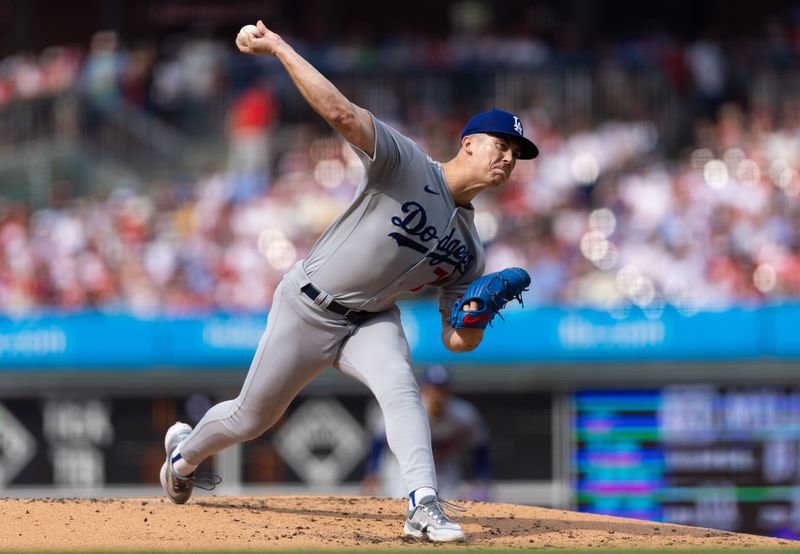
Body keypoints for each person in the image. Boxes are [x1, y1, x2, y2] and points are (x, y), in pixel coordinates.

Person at [159, 19, 538, 543]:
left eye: (517, 155)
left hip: (372, 320)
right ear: (469, 142)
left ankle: (423, 504)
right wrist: (278, 47)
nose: (509, 158)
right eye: (502, 144)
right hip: (309, 305)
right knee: (252, 418)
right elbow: (339, 112)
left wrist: (477, 314)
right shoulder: (408, 164)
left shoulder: (472, 248)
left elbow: (457, 339)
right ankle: (183, 456)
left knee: (402, 385)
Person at [363, 364, 492, 502]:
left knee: (449, 506)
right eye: (432, 389)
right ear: (423, 389)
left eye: (441, 389)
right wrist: (373, 470)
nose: (437, 394)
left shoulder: (463, 414)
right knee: (403, 502)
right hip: (404, 466)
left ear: (449, 391)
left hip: (443, 466)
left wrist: (481, 477)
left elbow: (480, 444)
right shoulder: (408, 410)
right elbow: (379, 438)